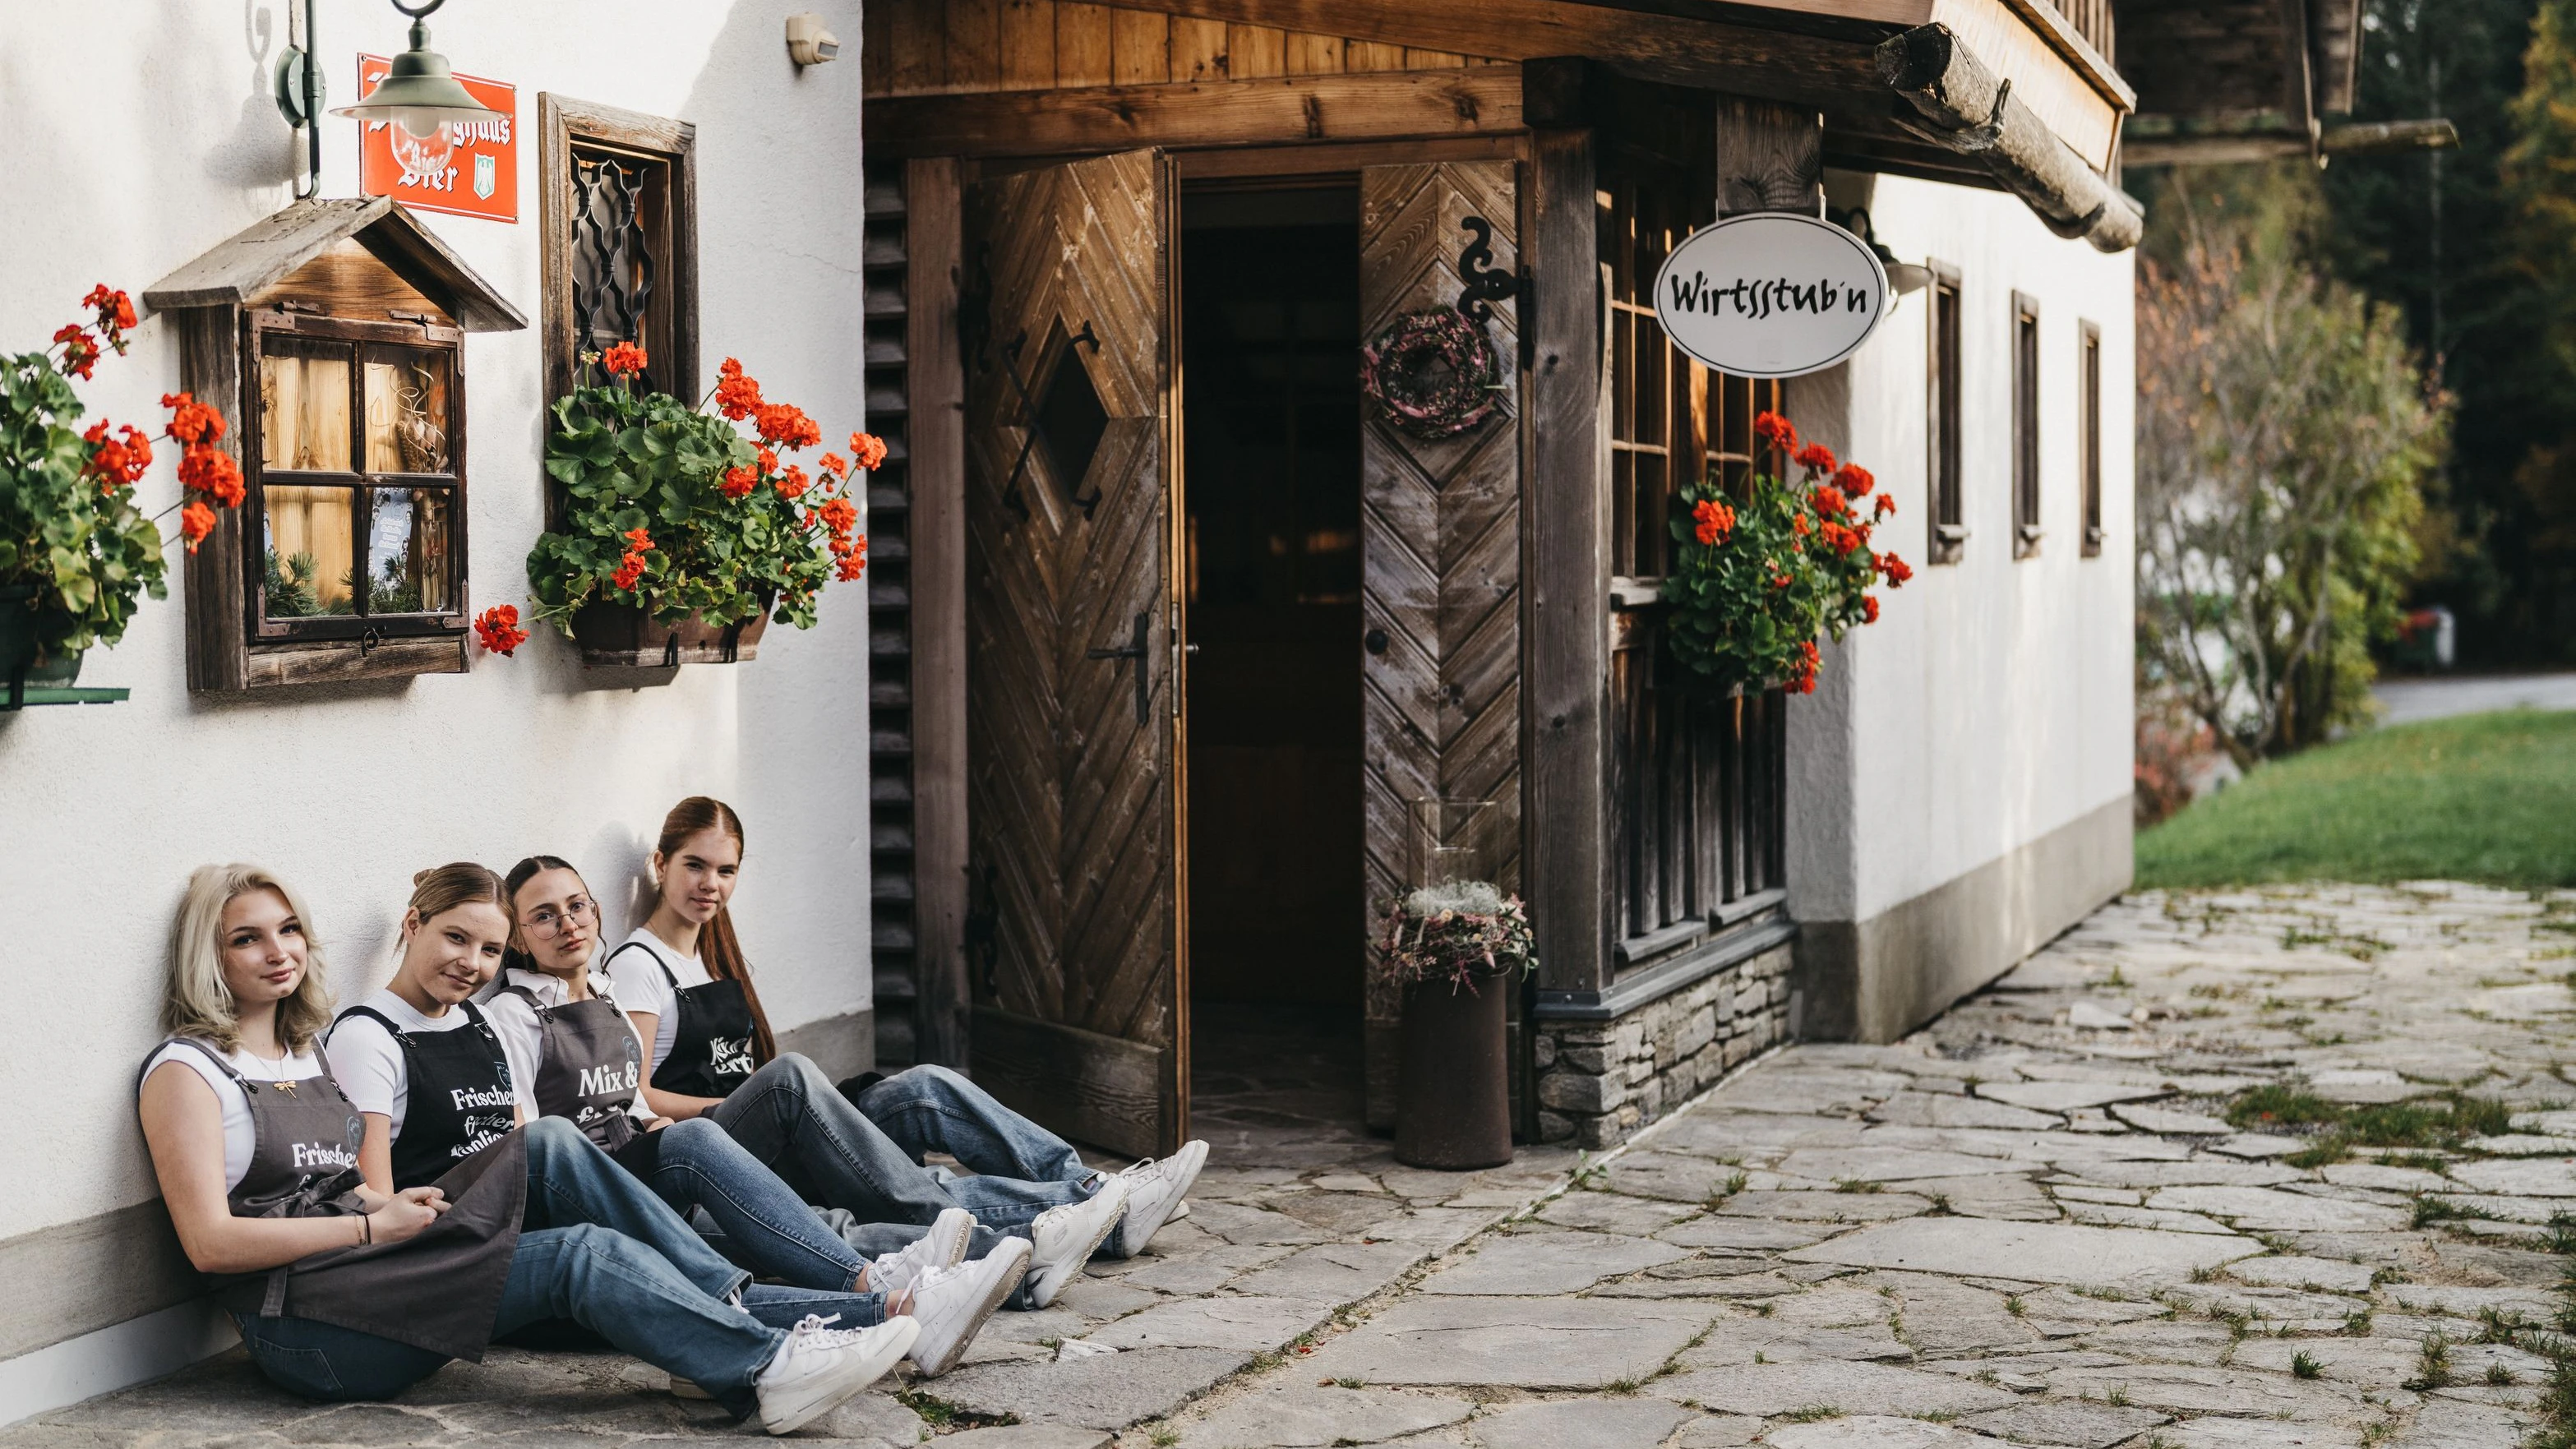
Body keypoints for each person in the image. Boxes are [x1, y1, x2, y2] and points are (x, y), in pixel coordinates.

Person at [136, 862, 916, 1434]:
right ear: (210, 954)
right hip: (306, 1329)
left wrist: (389, 1204)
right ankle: (770, 1360)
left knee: (553, 1148)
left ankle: (751, 1321)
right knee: (582, 1253)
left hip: (364, 1268)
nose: (278, 950)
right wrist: (371, 1225)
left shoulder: (301, 1051)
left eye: (288, 929)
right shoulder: (187, 1070)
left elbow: (345, 1183)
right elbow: (209, 1244)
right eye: (246, 938)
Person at [608, 797, 1206, 1305]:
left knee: (924, 1088)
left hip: (765, 1136)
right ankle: (1102, 1208)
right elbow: (638, 1095)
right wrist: (732, 1103)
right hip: (720, 1146)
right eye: (694, 865)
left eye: (725, 870)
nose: (710, 884)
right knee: (795, 1082)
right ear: (661, 864)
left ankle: (1089, 1189)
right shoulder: (639, 966)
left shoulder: (713, 955)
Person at [485, 854, 1020, 1376]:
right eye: (545, 916)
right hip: (595, 1191)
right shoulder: (512, 1015)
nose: (568, 924)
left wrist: (654, 1126)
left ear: (596, 909)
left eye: (577, 905)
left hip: (646, 1173)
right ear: (519, 938)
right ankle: (879, 1285)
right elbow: (530, 1146)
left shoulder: (607, 996)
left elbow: (635, 1102)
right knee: (708, 1160)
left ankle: (947, 1289)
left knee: (792, 1231)